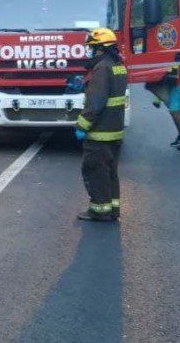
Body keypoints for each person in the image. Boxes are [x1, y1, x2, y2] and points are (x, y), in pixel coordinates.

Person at [74, 27, 128, 222]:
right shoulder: (118, 65)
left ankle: (99, 210)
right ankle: (112, 209)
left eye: (92, 49)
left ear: (100, 48)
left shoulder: (102, 68)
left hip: (100, 133)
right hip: (115, 131)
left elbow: (95, 102)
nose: (90, 53)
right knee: (110, 172)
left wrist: (81, 126)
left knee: (95, 170)